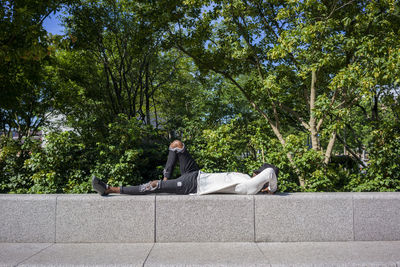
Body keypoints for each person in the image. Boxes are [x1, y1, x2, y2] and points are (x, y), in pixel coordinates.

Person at [92, 140, 278, 196]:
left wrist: (271, 189)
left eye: (258, 172)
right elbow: (267, 173)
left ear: (262, 179)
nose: (255, 172)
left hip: (194, 185)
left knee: (154, 185)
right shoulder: (247, 177)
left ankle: (110, 189)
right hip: (196, 174)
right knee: (177, 145)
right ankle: (167, 178)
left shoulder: (251, 188)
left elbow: (270, 172)